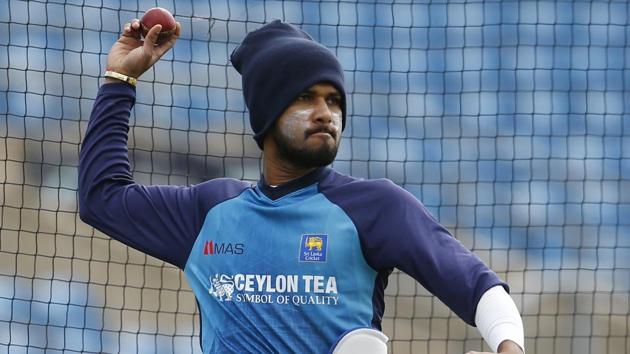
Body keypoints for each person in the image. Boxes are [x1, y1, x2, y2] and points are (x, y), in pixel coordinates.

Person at [79, 18, 525, 354]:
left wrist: (508, 346)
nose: (325, 113)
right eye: (305, 98)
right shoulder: (208, 211)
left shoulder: (377, 206)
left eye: (333, 100)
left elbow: (479, 287)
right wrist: (121, 80)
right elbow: (101, 198)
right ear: (268, 114)